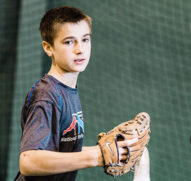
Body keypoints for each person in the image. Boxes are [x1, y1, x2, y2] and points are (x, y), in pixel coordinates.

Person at [14, 6, 150, 181]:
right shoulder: (46, 95)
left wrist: (118, 149)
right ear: (48, 48)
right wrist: (98, 155)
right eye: (69, 42)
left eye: (85, 39)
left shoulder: (66, 91)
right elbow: (28, 162)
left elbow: (60, 153)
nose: (80, 49)